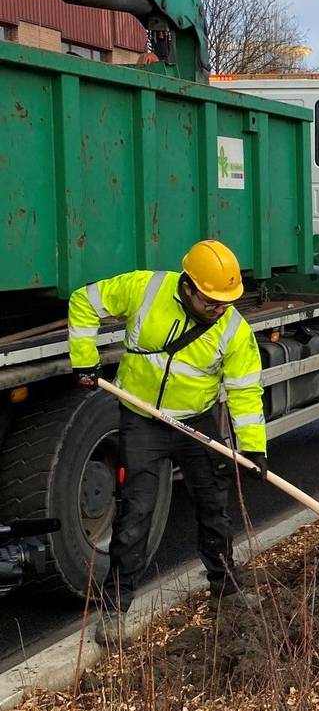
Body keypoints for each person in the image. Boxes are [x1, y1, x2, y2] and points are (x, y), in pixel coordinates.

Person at [68, 239, 267, 644]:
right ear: (189, 286)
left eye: (224, 302)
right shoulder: (146, 288)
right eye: (211, 300)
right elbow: (83, 301)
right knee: (135, 513)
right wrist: (84, 358)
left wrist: (253, 447)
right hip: (142, 419)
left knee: (213, 506)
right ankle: (115, 610)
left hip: (196, 422)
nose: (219, 308)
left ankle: (225, 589)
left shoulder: (233, 329)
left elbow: (245, 392)